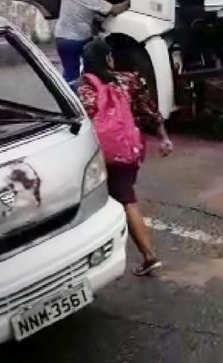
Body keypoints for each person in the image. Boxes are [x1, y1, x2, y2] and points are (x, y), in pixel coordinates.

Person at [78, 38, 174, 276]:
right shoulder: (129, 80)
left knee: (118, 201)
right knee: (121, 197)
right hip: (127, 152)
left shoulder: (84, 88)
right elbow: (150, 111)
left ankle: (148, 255)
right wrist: (163, 137)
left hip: (99, 155)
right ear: (108, 58)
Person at [54, 0, 130, 86]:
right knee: (92, 68)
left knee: (70, 71)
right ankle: (84, 96)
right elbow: (115, 10)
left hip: (62, 39)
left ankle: (66, 97)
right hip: (79, 40)